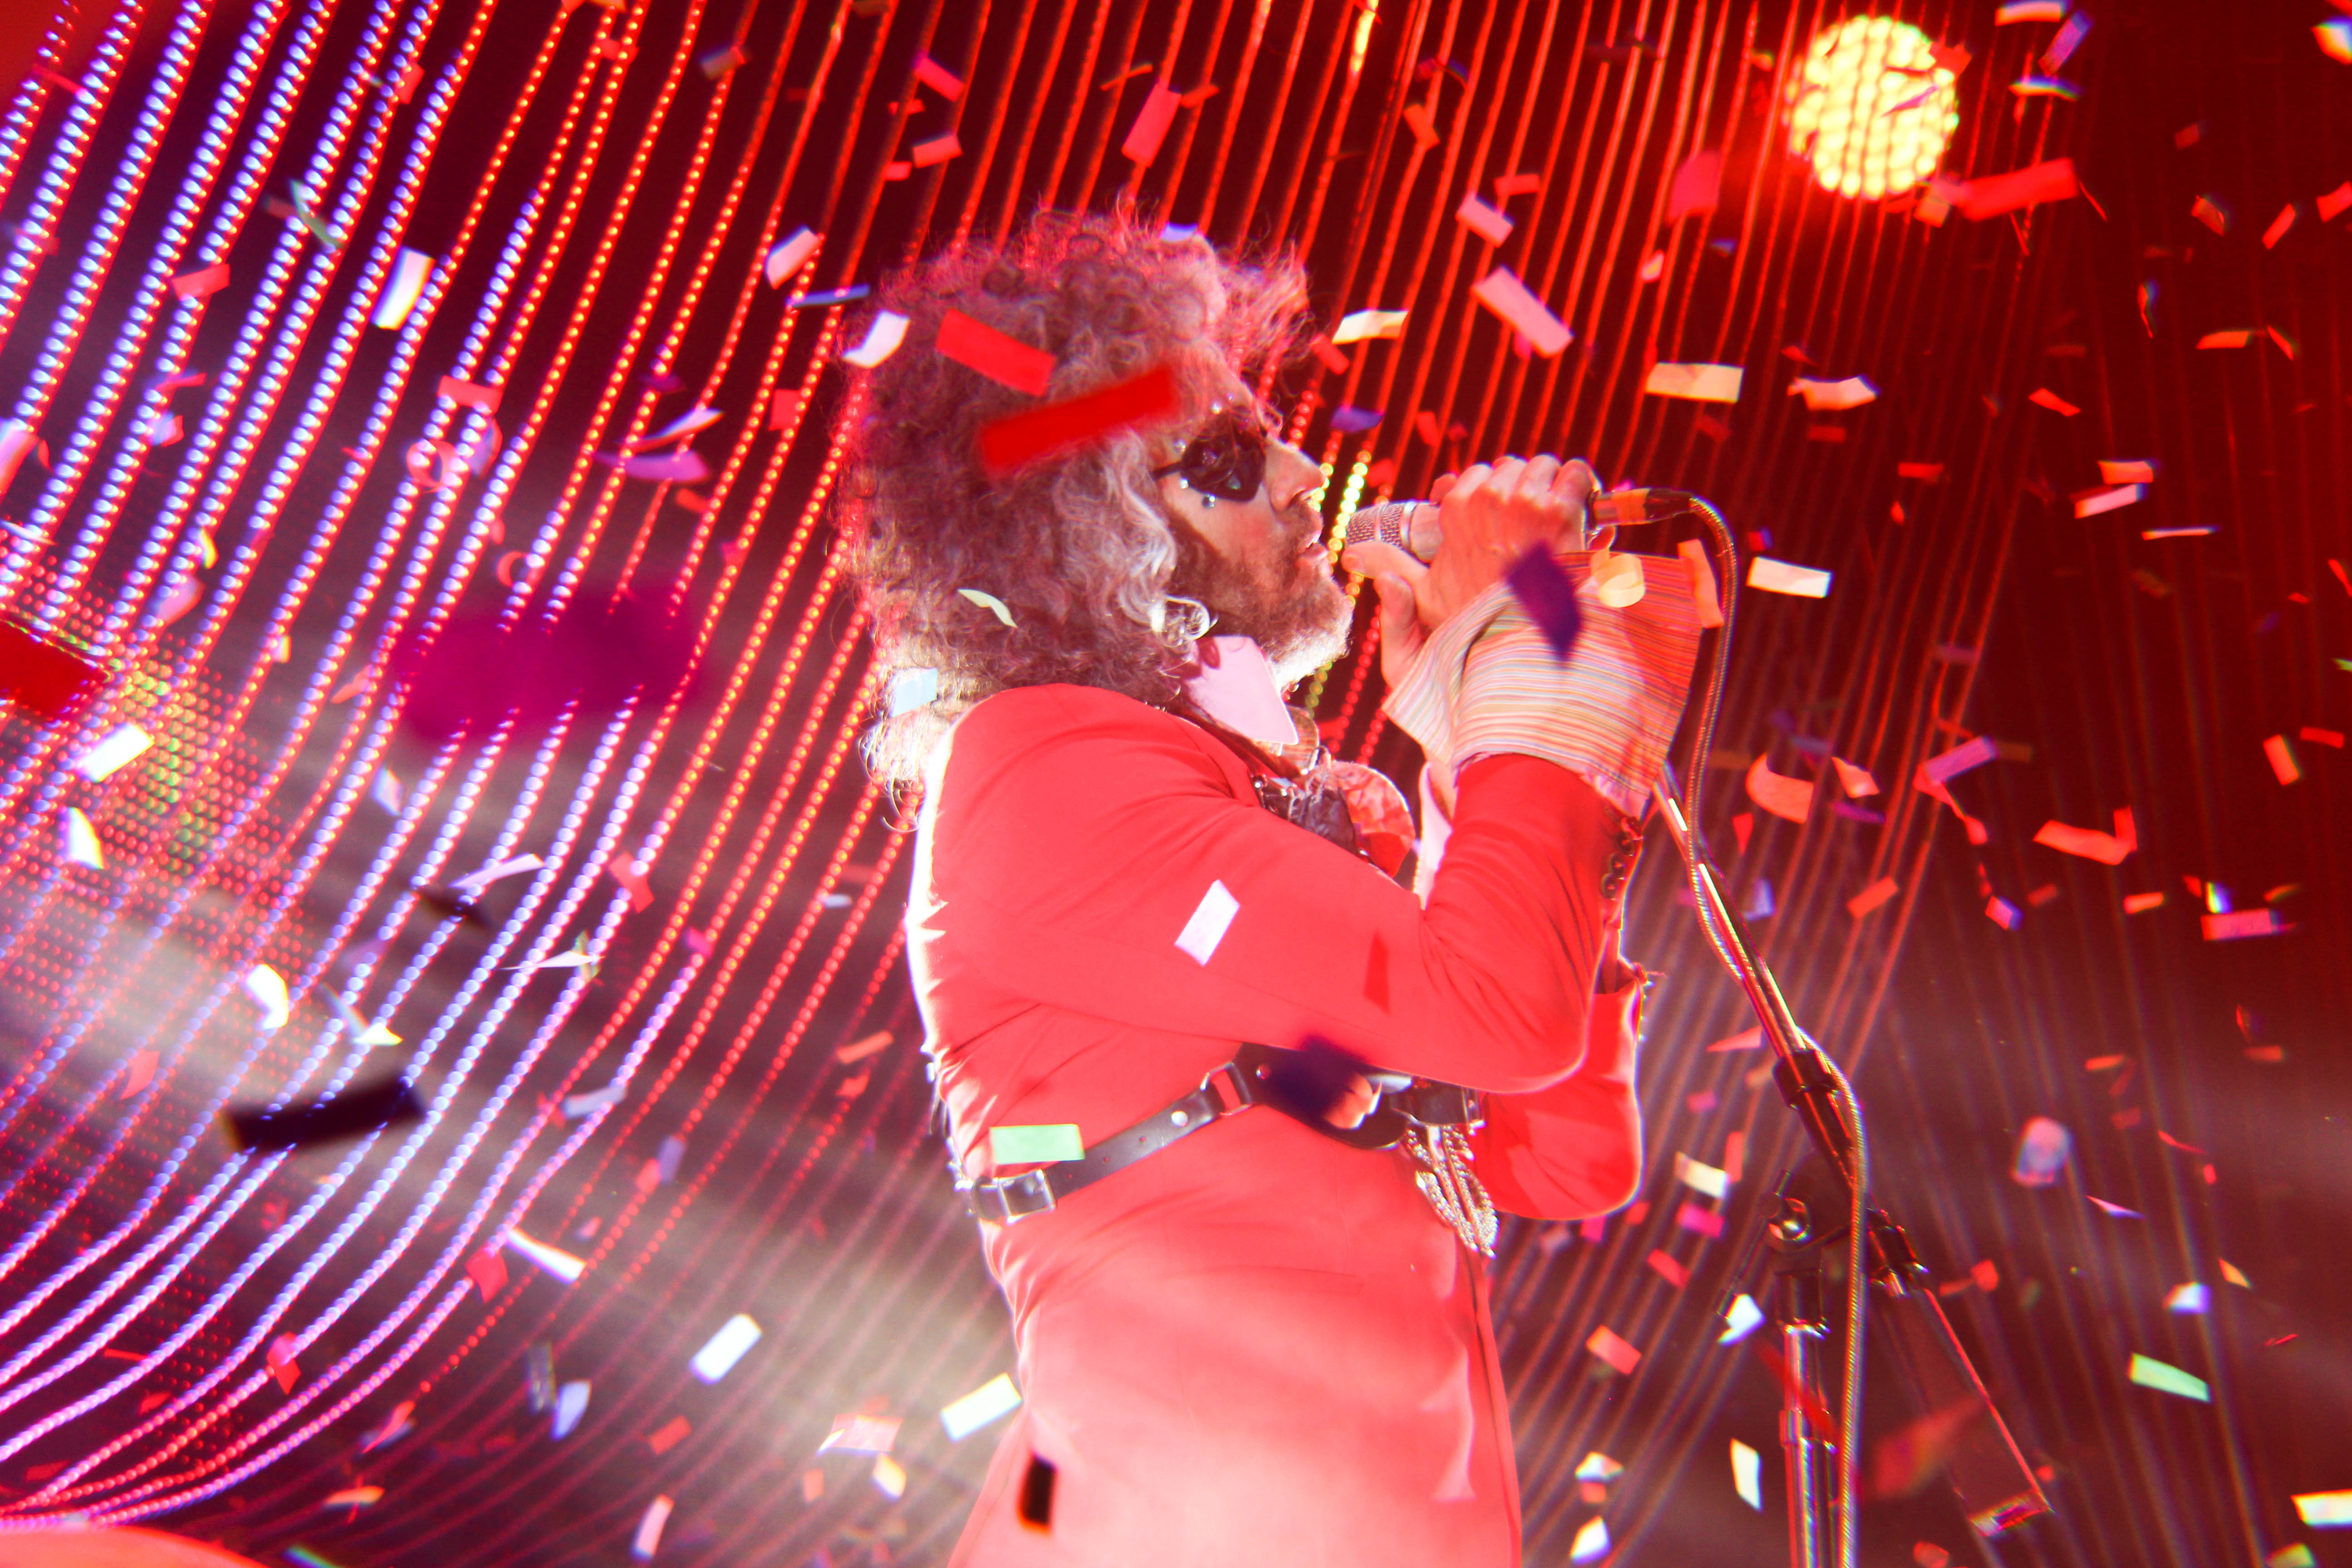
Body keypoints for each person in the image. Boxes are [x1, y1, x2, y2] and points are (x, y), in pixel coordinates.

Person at [838, 211, 1700, 1567]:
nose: (1307, 477)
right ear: (1081, 527)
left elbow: (1557, 1160)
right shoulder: (1050, 783)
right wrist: (1531, 656)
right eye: (1229, 460)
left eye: (1277, 434)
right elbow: (1502, 1010)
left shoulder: (1262, 794)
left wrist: (1484, 741)